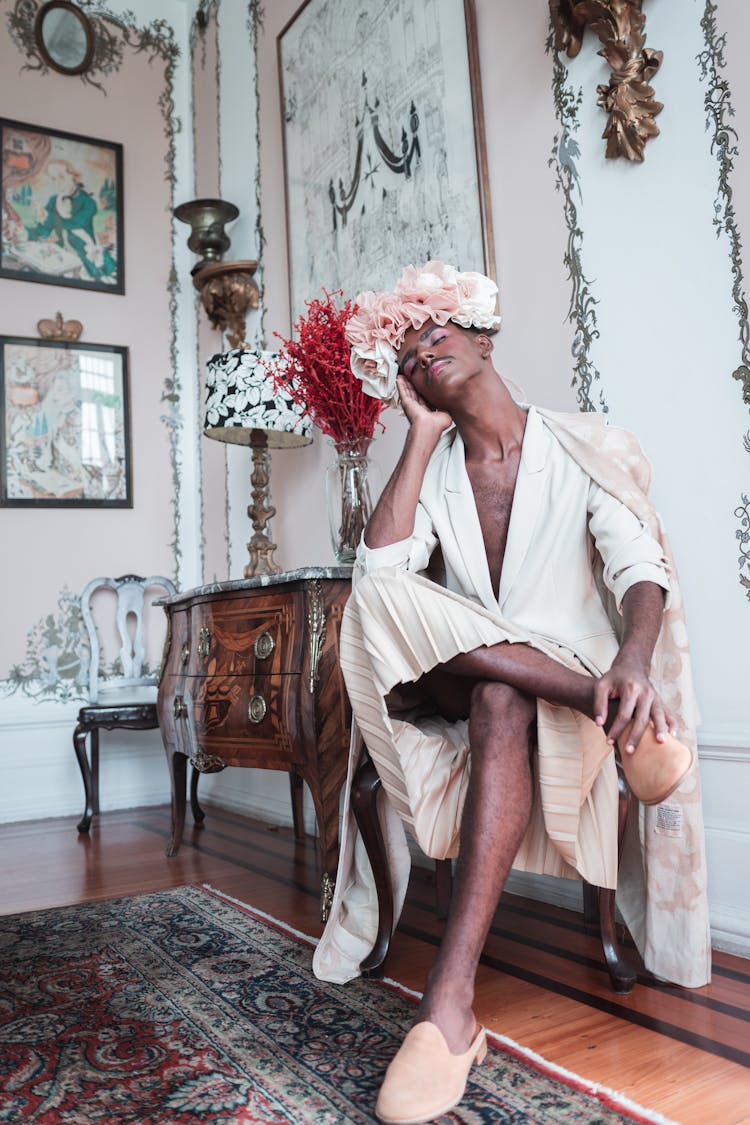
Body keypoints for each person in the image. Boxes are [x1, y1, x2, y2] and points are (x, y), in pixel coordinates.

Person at [312, 262, 710, 1125]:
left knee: (501, 699)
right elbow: (382, 578)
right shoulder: (439, 467)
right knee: (381, 596)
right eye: (408, 353)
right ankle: (592, 697)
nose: (423, 351)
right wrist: (416, 438)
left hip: (518, 689)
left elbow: (642, 569)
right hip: (469, 676)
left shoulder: (580, 445)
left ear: (485, 337)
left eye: (437, 330)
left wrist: (634, 661)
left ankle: (448, 1006)